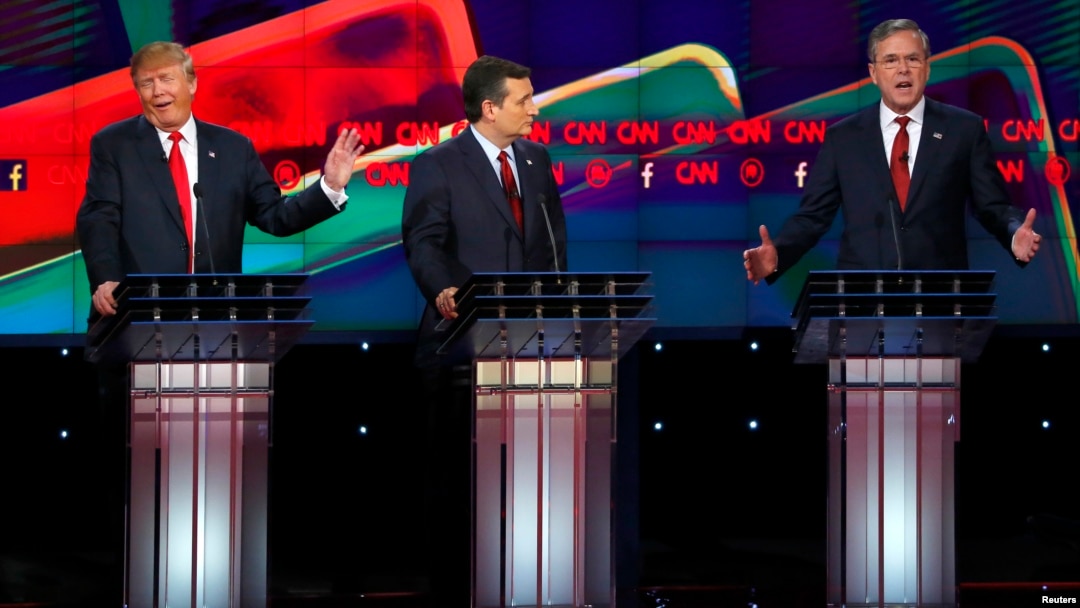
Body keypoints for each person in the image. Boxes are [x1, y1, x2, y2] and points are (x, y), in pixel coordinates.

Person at [400, 54, 568, 605]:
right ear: (490, 107)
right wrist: (446, 290)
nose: (534, 109)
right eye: (523, 100)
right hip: (460, 346)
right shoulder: (440, 164)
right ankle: (454, 590)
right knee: (459, 484)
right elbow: (423, 243)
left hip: (533, 347)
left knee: (528, 479)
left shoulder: (538, 160)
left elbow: (552, 245)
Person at [743, 19, 1041, 284]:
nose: (903, 69)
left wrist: (1014, 234)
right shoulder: (843, 138)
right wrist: (777, 254)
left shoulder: (964, 129)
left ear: (927, 67)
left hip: (940, 295)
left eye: (913, 58)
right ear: (873, 73)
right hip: (862, 298)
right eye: (891, 60)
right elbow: (812, 218)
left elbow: (991, 206)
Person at [77, 41, 364, 315]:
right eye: (146, 83)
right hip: (137, 313)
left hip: (216, 318)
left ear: (191, 84)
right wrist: (106, 279)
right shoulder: (114, 145)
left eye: (166, 79)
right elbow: (99, 218)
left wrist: (330, 186)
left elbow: (275, 216)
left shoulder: (234, 148)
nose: (157, 91)